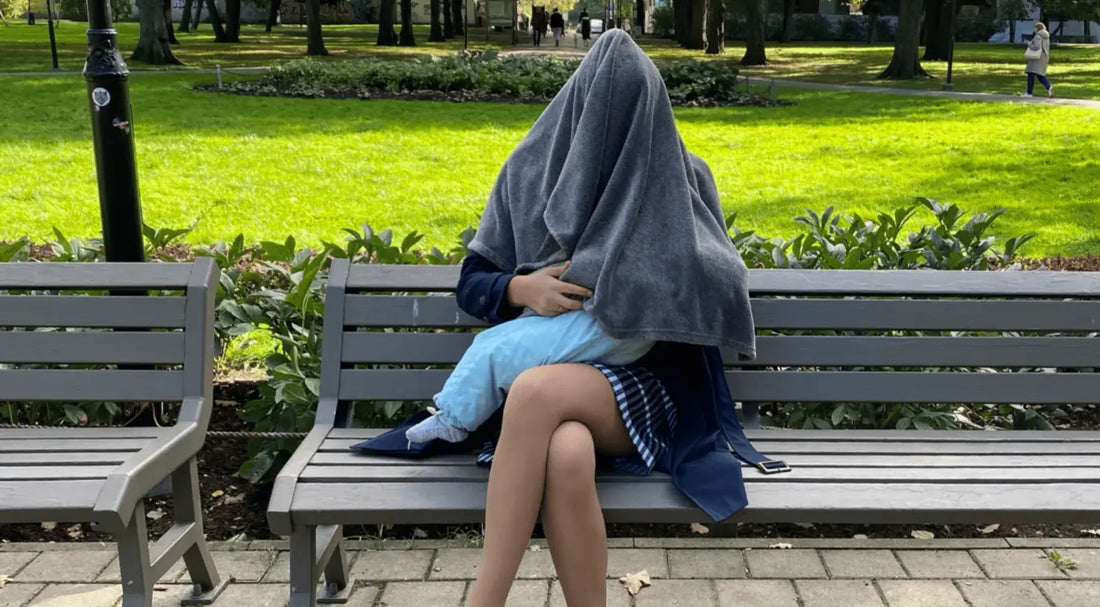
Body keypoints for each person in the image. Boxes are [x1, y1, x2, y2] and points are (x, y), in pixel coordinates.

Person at [358, 30, 783, 607]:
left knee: (534, 393)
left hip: (645, 389)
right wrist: (520, 287)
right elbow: (473, 283)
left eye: (632, 112)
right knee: (566, 451)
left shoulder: (682, 176)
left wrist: (644, 279)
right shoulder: (529, 172)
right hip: (546, 388)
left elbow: (720, 283)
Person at [1023, 22, 1053, 98]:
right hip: (1044, 57)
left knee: (1030, 74)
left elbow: (1036, 46)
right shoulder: (1046, 36)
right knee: (1040, 75)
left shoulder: (1038, 36)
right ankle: (1049, 87)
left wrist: (1029, 43)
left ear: (1037, 28)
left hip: (1036, 58)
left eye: (1035, 28)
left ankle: (1029, 93)